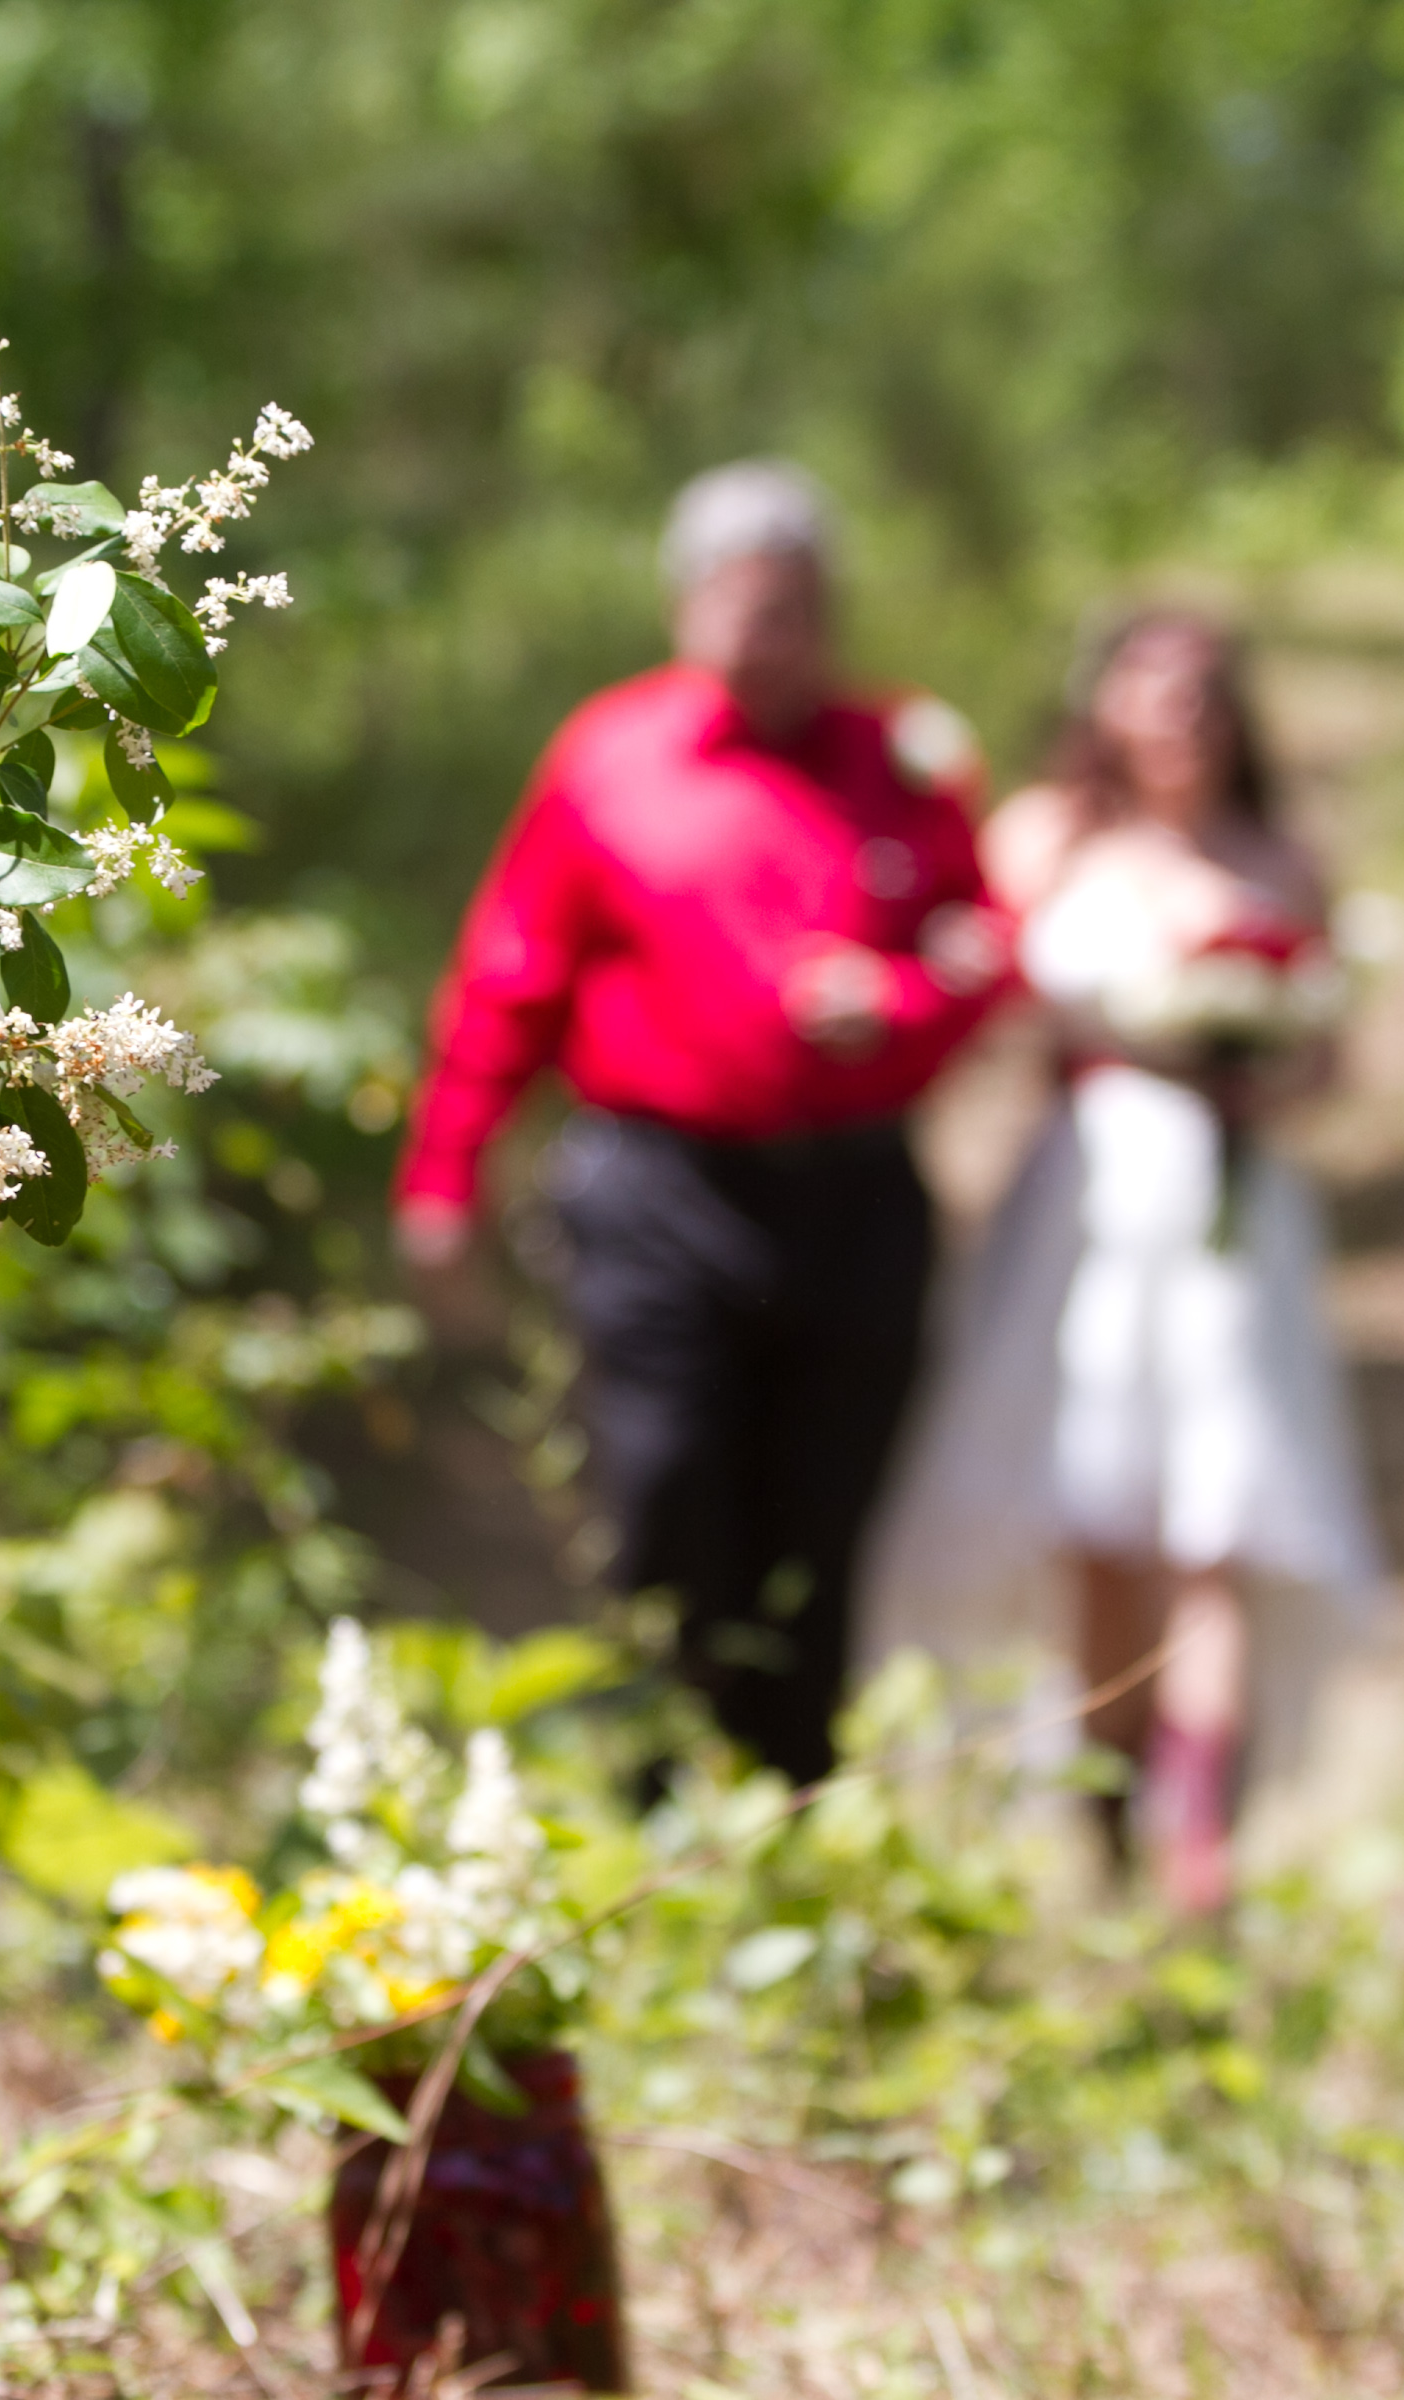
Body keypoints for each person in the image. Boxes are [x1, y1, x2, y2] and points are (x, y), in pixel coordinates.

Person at [392, 460, 1011, 1786]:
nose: (762, 634)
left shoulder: (903, 759)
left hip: (856, 1203)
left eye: (789, 608)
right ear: (684, 605)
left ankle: (790, 1818)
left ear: (827, 611)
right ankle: (657, 1799)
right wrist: (445, 1177)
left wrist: (900, 1003)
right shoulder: (607, 757)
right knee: (667, 1495)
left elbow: (984, 950)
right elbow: (510, 979)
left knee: (821, 1526)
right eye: (737, 604)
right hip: (655, 1197)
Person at [858, 609, 1385, 1912]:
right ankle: (1105, 1817)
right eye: (1151, 688)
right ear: (1105, 705)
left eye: (1201, 691)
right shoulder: (1046, 836)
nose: (1176, 715)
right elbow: (974, 986)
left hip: (1229, 1206)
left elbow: (1330, 1055)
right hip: (1087, 1198)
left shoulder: (1282, 858)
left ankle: (1197, 1833)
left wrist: (1254, 1067)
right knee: (1094, 1510)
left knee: (1220, 1505)